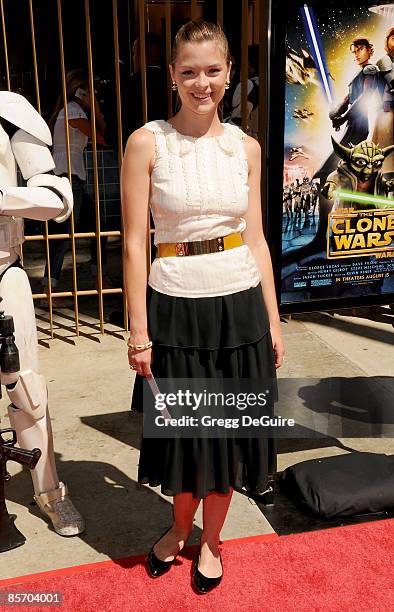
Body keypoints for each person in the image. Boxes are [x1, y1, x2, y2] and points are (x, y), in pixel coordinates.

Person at [121, 19, 284, 594]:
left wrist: (273, 318)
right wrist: (138, 330)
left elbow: (258, 238)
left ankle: (212, 543)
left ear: (229, 73)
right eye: (189, 71)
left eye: (212, 70)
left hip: (239, 305)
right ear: (172, 76)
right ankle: (179, 529)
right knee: (186, 435)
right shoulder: (147, 142)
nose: (201, 82)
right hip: (174, 308)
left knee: (230, 434)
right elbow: (136, 244)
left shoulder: (247, 147)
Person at [0, 89, 84, 536]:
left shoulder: (7, 110)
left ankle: (50, 491)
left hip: (2, 271)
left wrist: (2, 197)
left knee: (26, 389)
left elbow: (56, 197)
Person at [42, 69, 109, 293]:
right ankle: (50, 287)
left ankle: (99, 277)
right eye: (90, 89)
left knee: (96, 227)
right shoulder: (72, 111)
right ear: (80, 90)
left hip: (72, 176)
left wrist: (95, 110)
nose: (95, 92)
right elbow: (100, 137)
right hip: (67, 176)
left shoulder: (73, 110)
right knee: (66, 231)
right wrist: (96, 109)